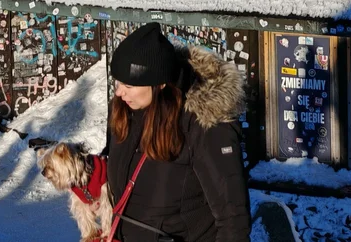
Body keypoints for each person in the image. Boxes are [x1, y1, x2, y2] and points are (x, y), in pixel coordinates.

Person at [103, 22, 251, 242]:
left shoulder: (203, 124)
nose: (119, 92)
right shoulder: (125, 109)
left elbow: (233, 219)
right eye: (118, 82)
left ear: (160, 84)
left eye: (129, 85)